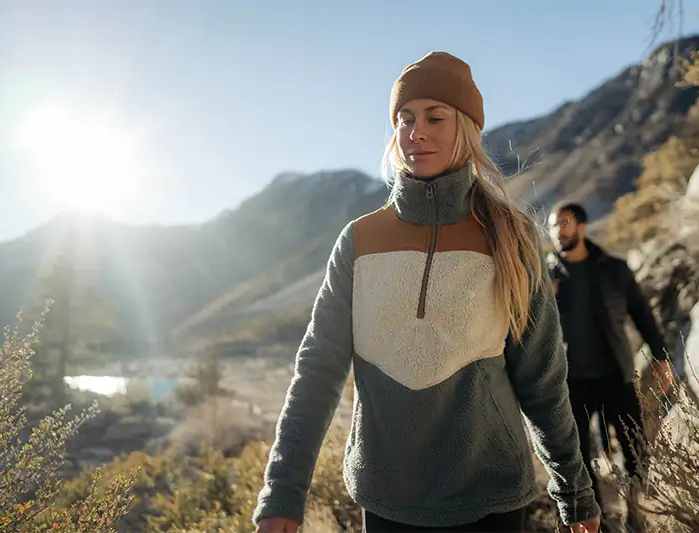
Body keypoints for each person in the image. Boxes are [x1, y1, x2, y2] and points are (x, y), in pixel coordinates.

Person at [254, 51, 601, 533]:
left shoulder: (510, 236)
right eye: (405, 119)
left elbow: (542, 376)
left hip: (492, 496)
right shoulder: (360, 240)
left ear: (467, 128)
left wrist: (575, 493)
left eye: (435, 117)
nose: (416, 132)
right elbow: (317, 372)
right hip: (387, 497)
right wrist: (282, 492)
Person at [548, 202, 672, 530]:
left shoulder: (613, 269)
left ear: (583, 227)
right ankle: (597, 521)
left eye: (565, 223)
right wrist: (546, 297)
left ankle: (636, 514)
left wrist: (660, 357)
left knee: (634, 449)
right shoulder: (544, 278)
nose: (558, 230)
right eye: (553, 225)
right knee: (578, 456)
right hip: (571, 381)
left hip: (615, 375)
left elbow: (641, 314)